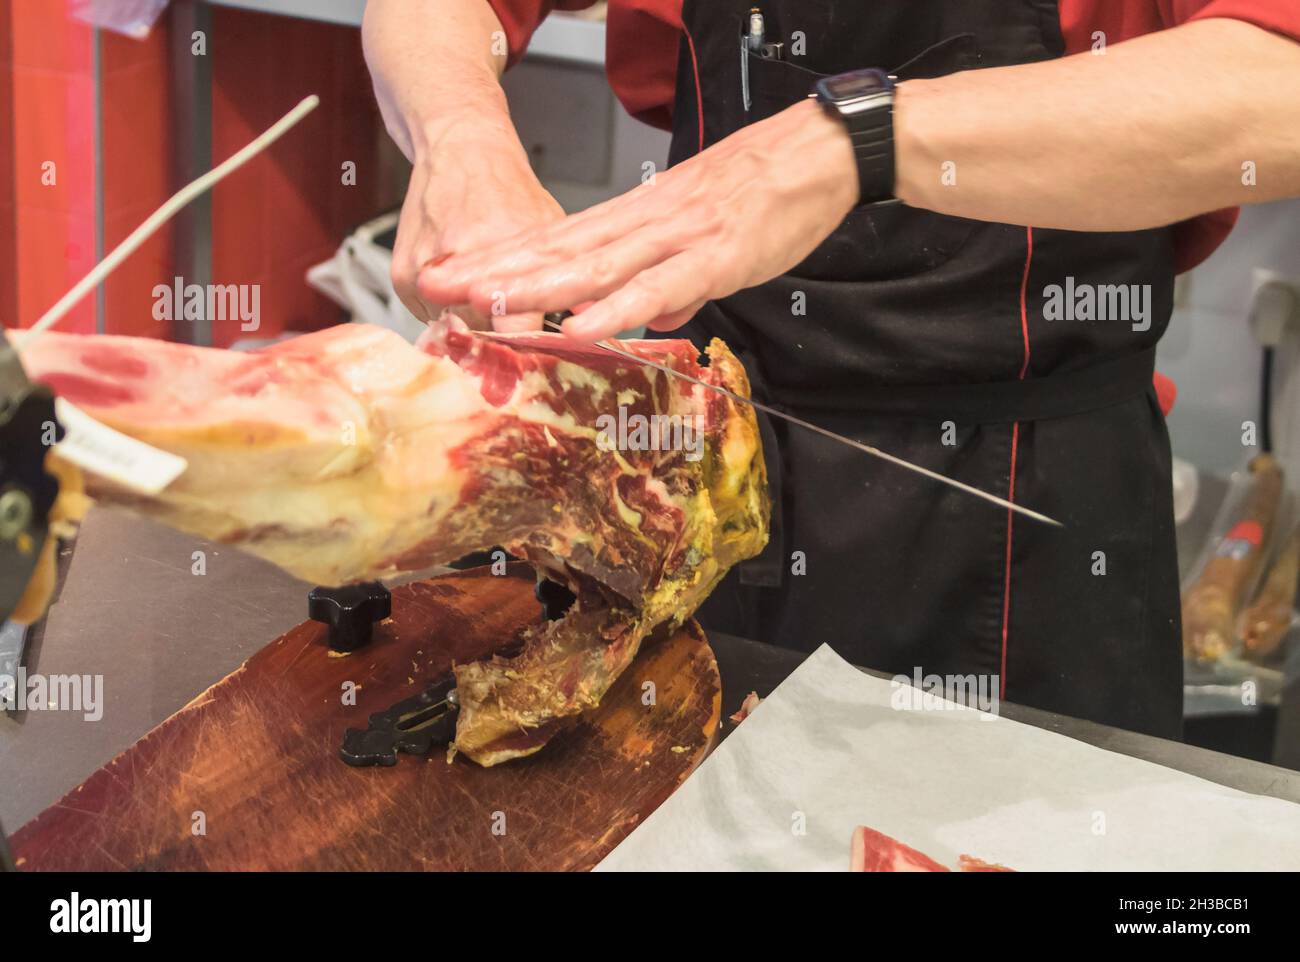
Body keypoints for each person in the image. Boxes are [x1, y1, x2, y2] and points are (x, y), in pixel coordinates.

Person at [363, 0, 1300, 739]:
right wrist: (462, 137)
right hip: (700, 481)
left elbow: (1279, 80)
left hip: (1029, 531)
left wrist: (853, 137)